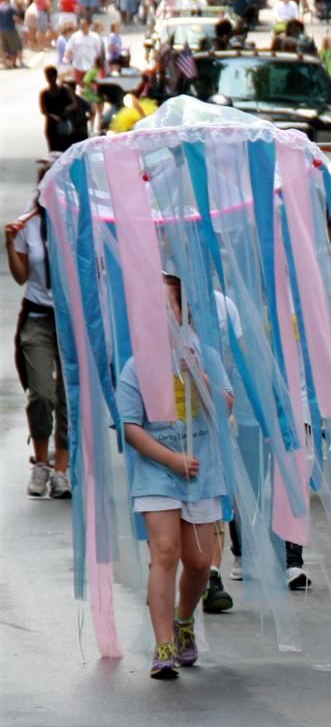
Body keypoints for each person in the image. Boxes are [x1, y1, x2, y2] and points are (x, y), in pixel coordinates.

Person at [118, 272, 232, 679]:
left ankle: (185, 620)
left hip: (202, 473)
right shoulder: (137, 364)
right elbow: (130, 427)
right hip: (157, 472)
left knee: (199, 561)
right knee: (164, 553)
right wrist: (168, 459)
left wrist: (199, 378)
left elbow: (226, 409)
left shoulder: (206, 354)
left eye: (169, 305)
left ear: (184, 311)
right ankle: (163, 644)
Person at [8, 185, 69, 498]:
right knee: (42, 393)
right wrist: (9, 242)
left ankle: (62, 469)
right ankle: (41, 462)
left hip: (70, 320)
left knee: (68, 396)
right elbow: (20, 277)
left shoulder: (80, 222)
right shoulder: (27, 224)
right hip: (37, 318)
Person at [39, 66, 75, 154]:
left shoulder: (65, 89)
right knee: (53, 152)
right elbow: (43, 110)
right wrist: (53, 116)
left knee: (66, 151)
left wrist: (68, 109)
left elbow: (74, 103)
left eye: (51, 76)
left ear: (55, 76)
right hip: (51, 126)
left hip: (65, 124)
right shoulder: (44, 93)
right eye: (47, 76)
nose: (49, 78)